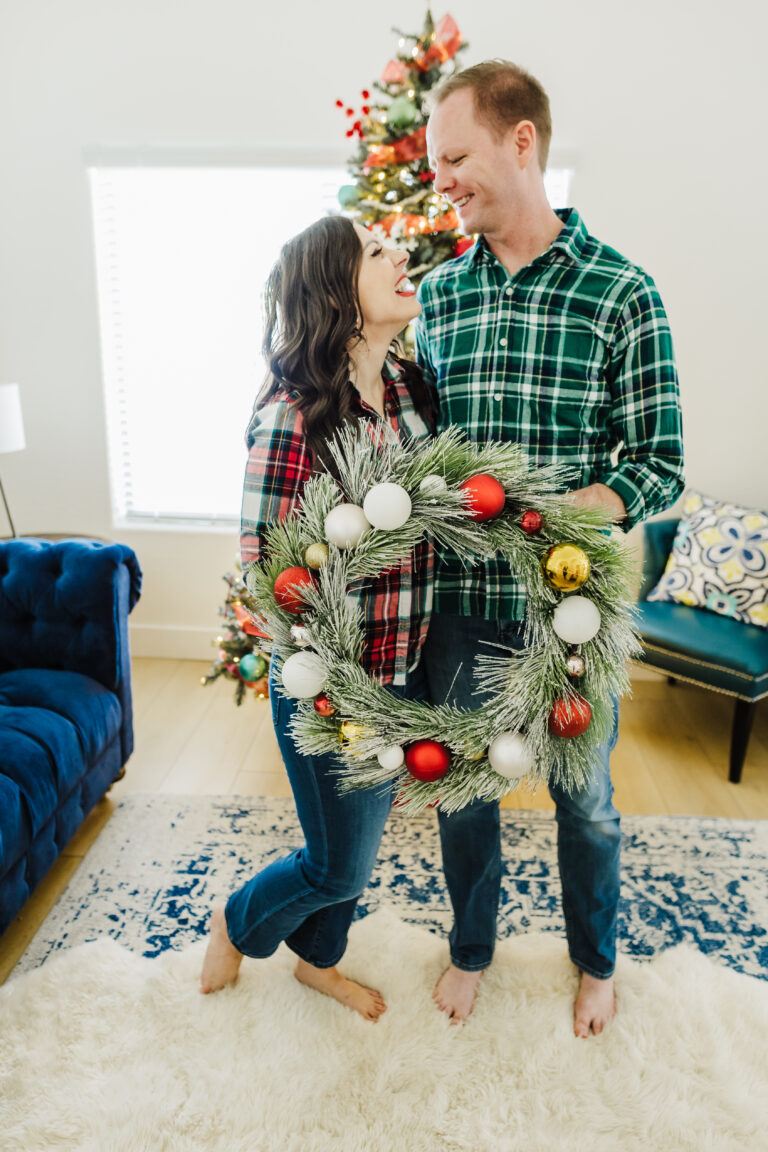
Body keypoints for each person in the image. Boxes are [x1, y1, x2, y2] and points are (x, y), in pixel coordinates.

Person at [415, 60, 684, 1035]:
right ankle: (472, 947)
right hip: (457, 606)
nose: (441, 178)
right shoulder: (438, 297)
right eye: (435, 163)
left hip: (570, 615)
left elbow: (658, 464)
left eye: (456, 157)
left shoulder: (623, 293)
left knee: (586, 805)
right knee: (465, 794)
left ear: (521, 141)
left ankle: (596, 958)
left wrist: (556, 509)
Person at [200, 216, 435, 1020]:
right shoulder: (293, 415)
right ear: (339, 292)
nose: (402, 252)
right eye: (376, 251)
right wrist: (341, 698)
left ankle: (317, 961)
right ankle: (237, 923)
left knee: (356, 854)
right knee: (335, 865)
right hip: (329, 692)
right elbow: (266, 576)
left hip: (398, 671)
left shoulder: (408, 390)